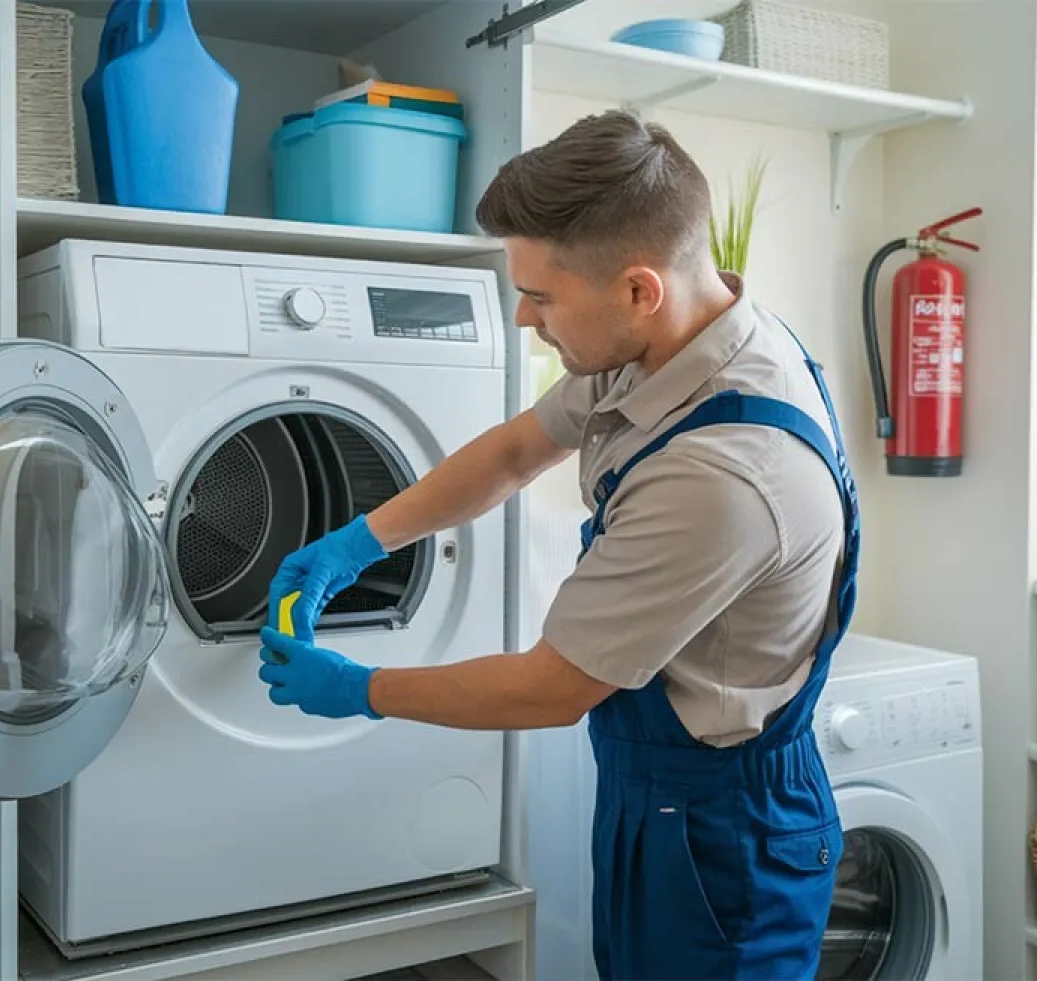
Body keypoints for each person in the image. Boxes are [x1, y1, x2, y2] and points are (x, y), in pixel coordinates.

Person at [257, 108, 859, 981]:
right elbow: (514, 452)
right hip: (664, 794)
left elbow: (554, 685)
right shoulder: (665, 339)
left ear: (638, 288)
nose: (522, 315)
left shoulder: (726, 474)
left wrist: (360, 688)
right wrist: (360, 540)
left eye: (540, 295)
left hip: (727, 834)